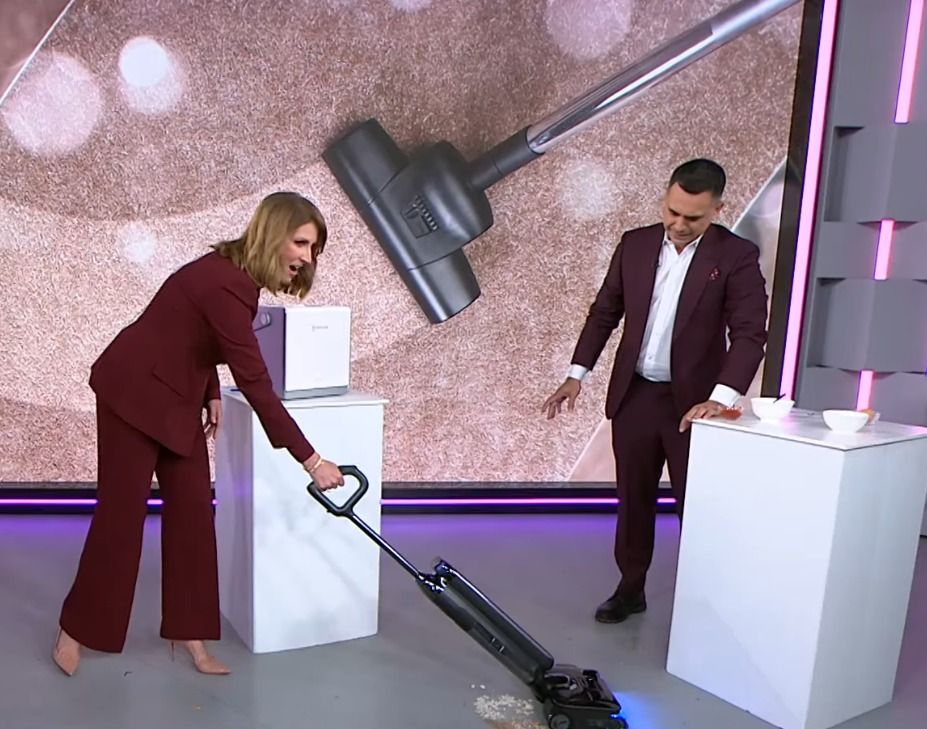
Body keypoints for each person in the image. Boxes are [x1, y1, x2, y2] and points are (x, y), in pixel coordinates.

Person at [53, 192, 345, 676]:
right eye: (300, 243)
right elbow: (255, 383)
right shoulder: (225, 285)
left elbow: (194, 335)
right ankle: (76, 630)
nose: (307, 257)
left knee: (192, 512)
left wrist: (210, 390)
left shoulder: (236, 278)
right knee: (121, 516)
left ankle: (189, 633)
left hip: (176, 398)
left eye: (314, 249)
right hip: (132, 394)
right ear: (273, 232)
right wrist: (312, 461)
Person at [542, 159, 768, 624]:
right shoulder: (635, 244)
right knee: (634, 499)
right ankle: (630, 589)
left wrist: (721, 398)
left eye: (693, 217)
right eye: (672, 211)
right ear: (664, 199)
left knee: (699, 506)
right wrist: (576, 374)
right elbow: (605, 312)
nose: (679, 224)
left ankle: (709, 602)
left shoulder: (736, 256)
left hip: (696, 406)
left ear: (717, 210)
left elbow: (750, 334)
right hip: (637, 396)